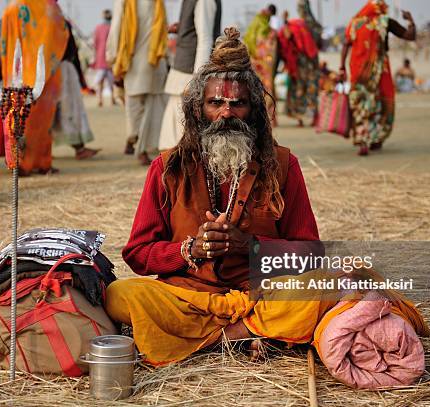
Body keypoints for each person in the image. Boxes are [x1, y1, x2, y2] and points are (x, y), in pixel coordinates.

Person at [105, 28, 327, 364]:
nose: (226, 113)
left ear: (254, 110)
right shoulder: (168, 167)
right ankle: (251, 330)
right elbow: (138, 254)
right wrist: (189, 249)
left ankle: (218, 336)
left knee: (329, 285)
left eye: (238, 103)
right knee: (118, 294)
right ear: (198, 109)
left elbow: (311, 253)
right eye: (216, 103)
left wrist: (250, 246)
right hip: (189, 295)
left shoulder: (283, 165)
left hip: (261, 292)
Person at [1, 0, 69, 175]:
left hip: (17, 74)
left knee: (20, 117)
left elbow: (5, 44)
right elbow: (62, 33)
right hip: (44, 74)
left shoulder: (12, 7)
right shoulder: (50, 7)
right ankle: (42, 162)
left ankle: (21, 163)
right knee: (43, 121)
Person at [339, 0, 416, 156]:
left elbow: (346, 45)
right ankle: (375, 139)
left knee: (360, 105)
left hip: (358, 73)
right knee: (381, 103)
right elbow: (410, 36)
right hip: (380, 72)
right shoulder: (385, 22)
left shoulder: (355, 23)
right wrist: (410, 20)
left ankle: (363, 140)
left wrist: (342, 68)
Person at [106, 0, 169, 165]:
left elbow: (116, 29)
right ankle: (137, 143)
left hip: (142, 62)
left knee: (138, 108)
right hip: (146, 61)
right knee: (145, 107)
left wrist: (112, 58)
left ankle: (137, 144)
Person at [158, 0, 222, 151]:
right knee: (175, 130)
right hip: (184, 70)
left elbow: (205, 39)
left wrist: (197, 79)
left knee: (183, 132)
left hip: (190, 73)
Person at [53, 20, 100, 160]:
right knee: (69, 111)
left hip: (47, 72)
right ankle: (79, 149)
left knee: (53, 112)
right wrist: (81, 79)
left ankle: (43, 152)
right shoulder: (61, 22)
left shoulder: (37, 20)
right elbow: (72, 50)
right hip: (64, 71)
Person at [277, 0, 322, 127]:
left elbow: (288, 36)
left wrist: (285, 21)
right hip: (306, 66)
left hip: (306, 66)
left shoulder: (302, 26)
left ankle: (309, 118)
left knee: (305, 91)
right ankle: (304, 119)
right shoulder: (305, 26)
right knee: (303, 91)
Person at [244, 5, 279, 127]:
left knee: (257, 87)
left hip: (257, 61)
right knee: (267, 87)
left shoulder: (256, 24)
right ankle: (271, 117)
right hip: (264, 62)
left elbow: (249, 40)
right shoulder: (270, 32)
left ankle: (263, 116)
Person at [92, 9, 116, 107]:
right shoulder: (112, 28)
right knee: (111, 82)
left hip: (100, 57)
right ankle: (112, 99)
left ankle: (100, 99)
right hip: (110, 59)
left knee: (100, 81)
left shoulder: (98, 28)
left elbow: (95, 44)